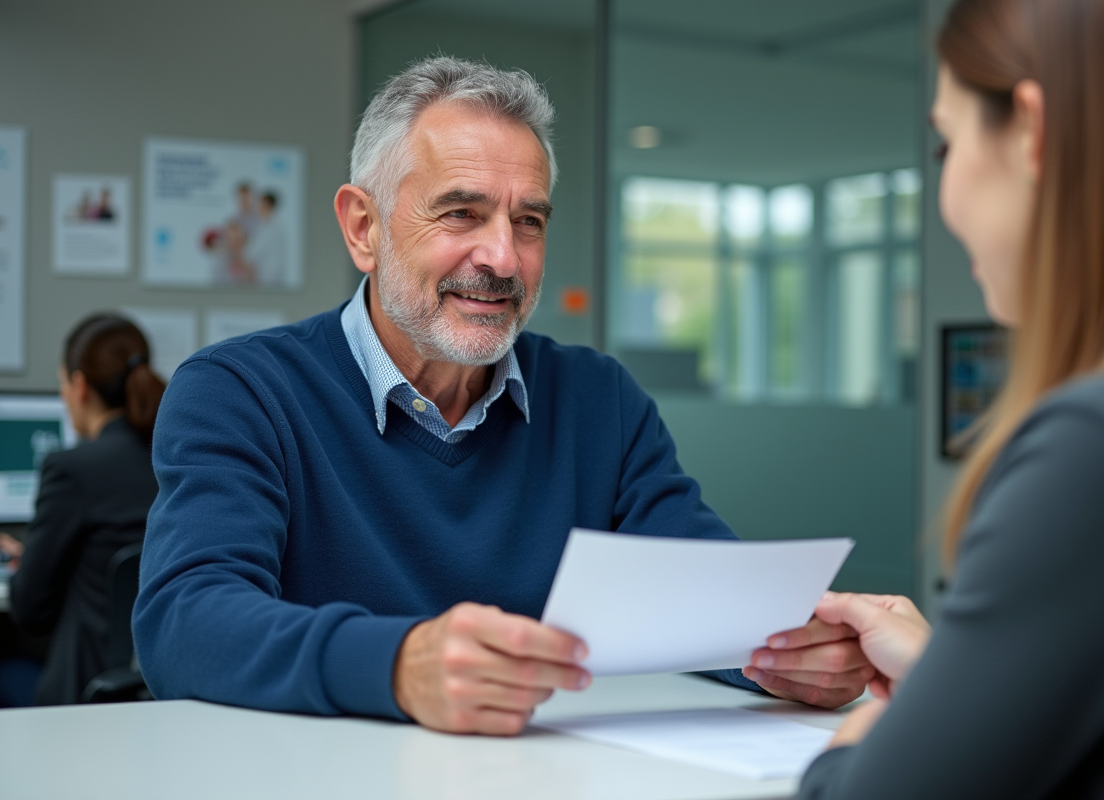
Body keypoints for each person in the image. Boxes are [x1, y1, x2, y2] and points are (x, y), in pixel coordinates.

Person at [133, 56, 875, 735]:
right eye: (461, 212)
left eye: (528, 222)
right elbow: (184, 622)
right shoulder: (240, 391)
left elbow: (706, 602)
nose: (501, 257)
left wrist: (787, 653)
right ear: (364, 228)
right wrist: (398, 665)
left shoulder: (597, 398)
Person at [797, 0, 1104, 797]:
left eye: (948, 142)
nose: (945, 196)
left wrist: (858, 747)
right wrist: (963, 672)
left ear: (1031, 130)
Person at [8, 315, 165, 705]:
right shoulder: (174, 457)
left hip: (81, 693)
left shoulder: (72, 469)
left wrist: (27, 567)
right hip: (160, 686)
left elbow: (30, 610)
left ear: (79, 386)